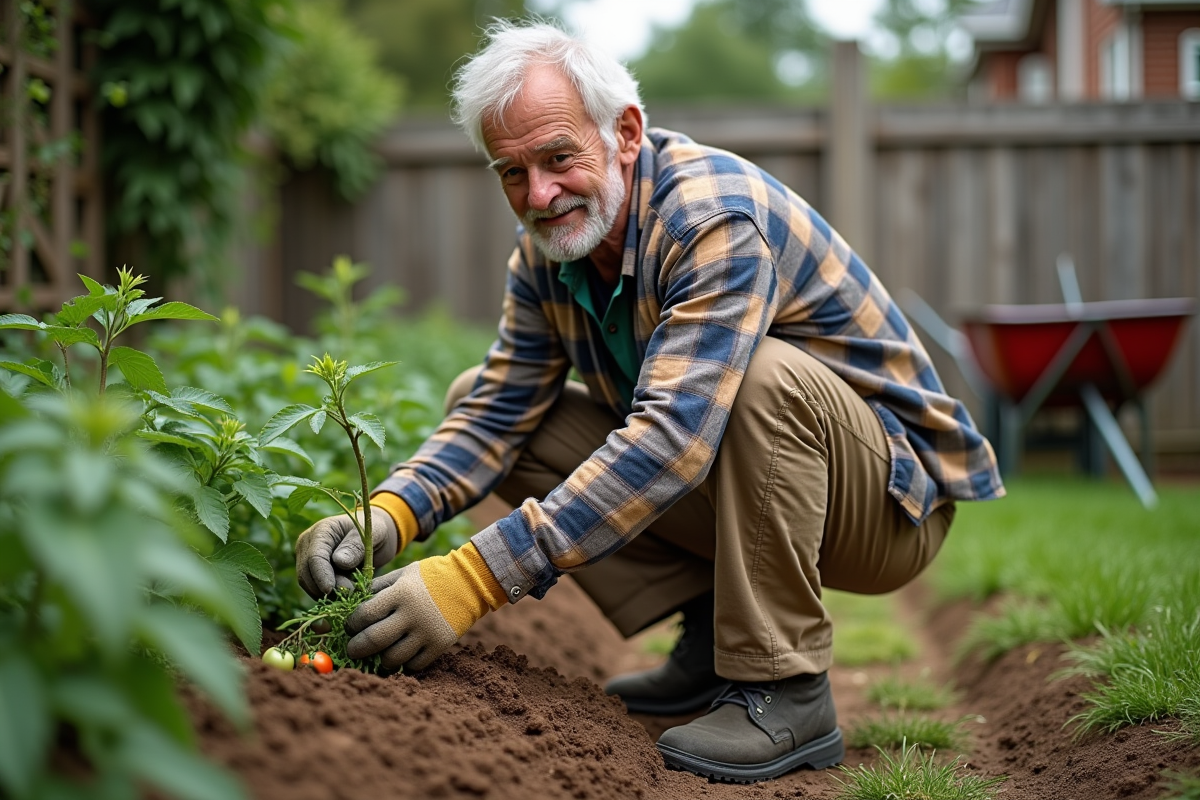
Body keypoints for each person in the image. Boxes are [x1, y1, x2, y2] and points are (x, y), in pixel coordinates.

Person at [293, 19, 1004, 784]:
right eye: (511, 171)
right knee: (488, 399)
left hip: (888, 506)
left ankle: (785, 686)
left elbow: (672, 439)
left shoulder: (711, 219)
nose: (538, 193)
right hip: (761, 484)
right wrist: (389, 515)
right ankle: (710, 639)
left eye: (559, 157)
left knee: (761, 379)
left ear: (625, 133)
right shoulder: (547, 255)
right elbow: (496, 413)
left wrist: (473, 577)